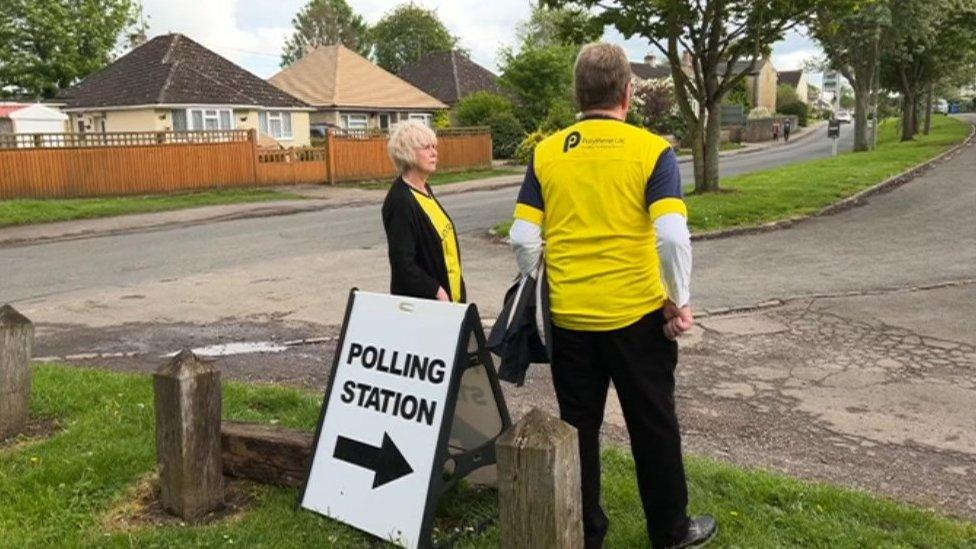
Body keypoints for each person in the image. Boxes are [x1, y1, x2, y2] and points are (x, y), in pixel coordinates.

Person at [509, 43, 716, 549]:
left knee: (578, 431)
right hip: (638, 318)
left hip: (572, 321)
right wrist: (679, 298)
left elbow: (521, 236)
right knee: (654, 425)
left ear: (578, 93)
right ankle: (669, 531)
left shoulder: (547, 153)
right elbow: (670, 235)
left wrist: (541, 276)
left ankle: (585, 531)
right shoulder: (653, 151)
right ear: (628, 92)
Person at [381, 120, 464, 303]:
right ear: (408, 153)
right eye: (426, 148)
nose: (434, 153)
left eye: (434, 147)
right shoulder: (400, 201)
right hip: (425, 307)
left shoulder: (424, 190)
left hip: (450, 302)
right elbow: (403, 264)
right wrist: (437, 291)